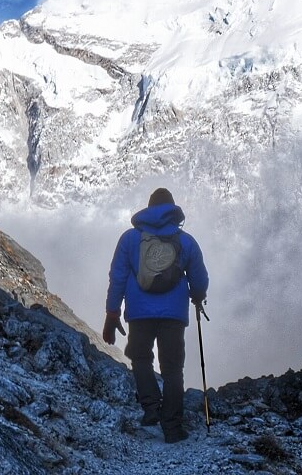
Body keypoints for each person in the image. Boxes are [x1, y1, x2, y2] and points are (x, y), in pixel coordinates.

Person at [104, 187, 208, 443]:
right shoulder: (186, 241)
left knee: (140, 358)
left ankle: (151, 409)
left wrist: (112, 312)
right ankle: (172, 427)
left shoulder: (130, 239)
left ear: (148, 209)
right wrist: (197, 295)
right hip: (174, 315)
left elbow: (117, 277)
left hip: (139, 313)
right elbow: (199, 279)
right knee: (173, 368)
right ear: (173, 211)